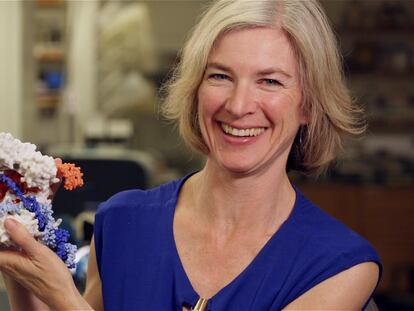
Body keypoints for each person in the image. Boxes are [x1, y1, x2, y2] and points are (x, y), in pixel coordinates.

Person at [0, 0, 382, 310]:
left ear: (309, 106)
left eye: (270, 81)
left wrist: (64, 299)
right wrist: (22, 263)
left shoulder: (340, 266)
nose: (238, 104)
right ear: (195, 89)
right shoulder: (121, 222)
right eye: (220, 76)